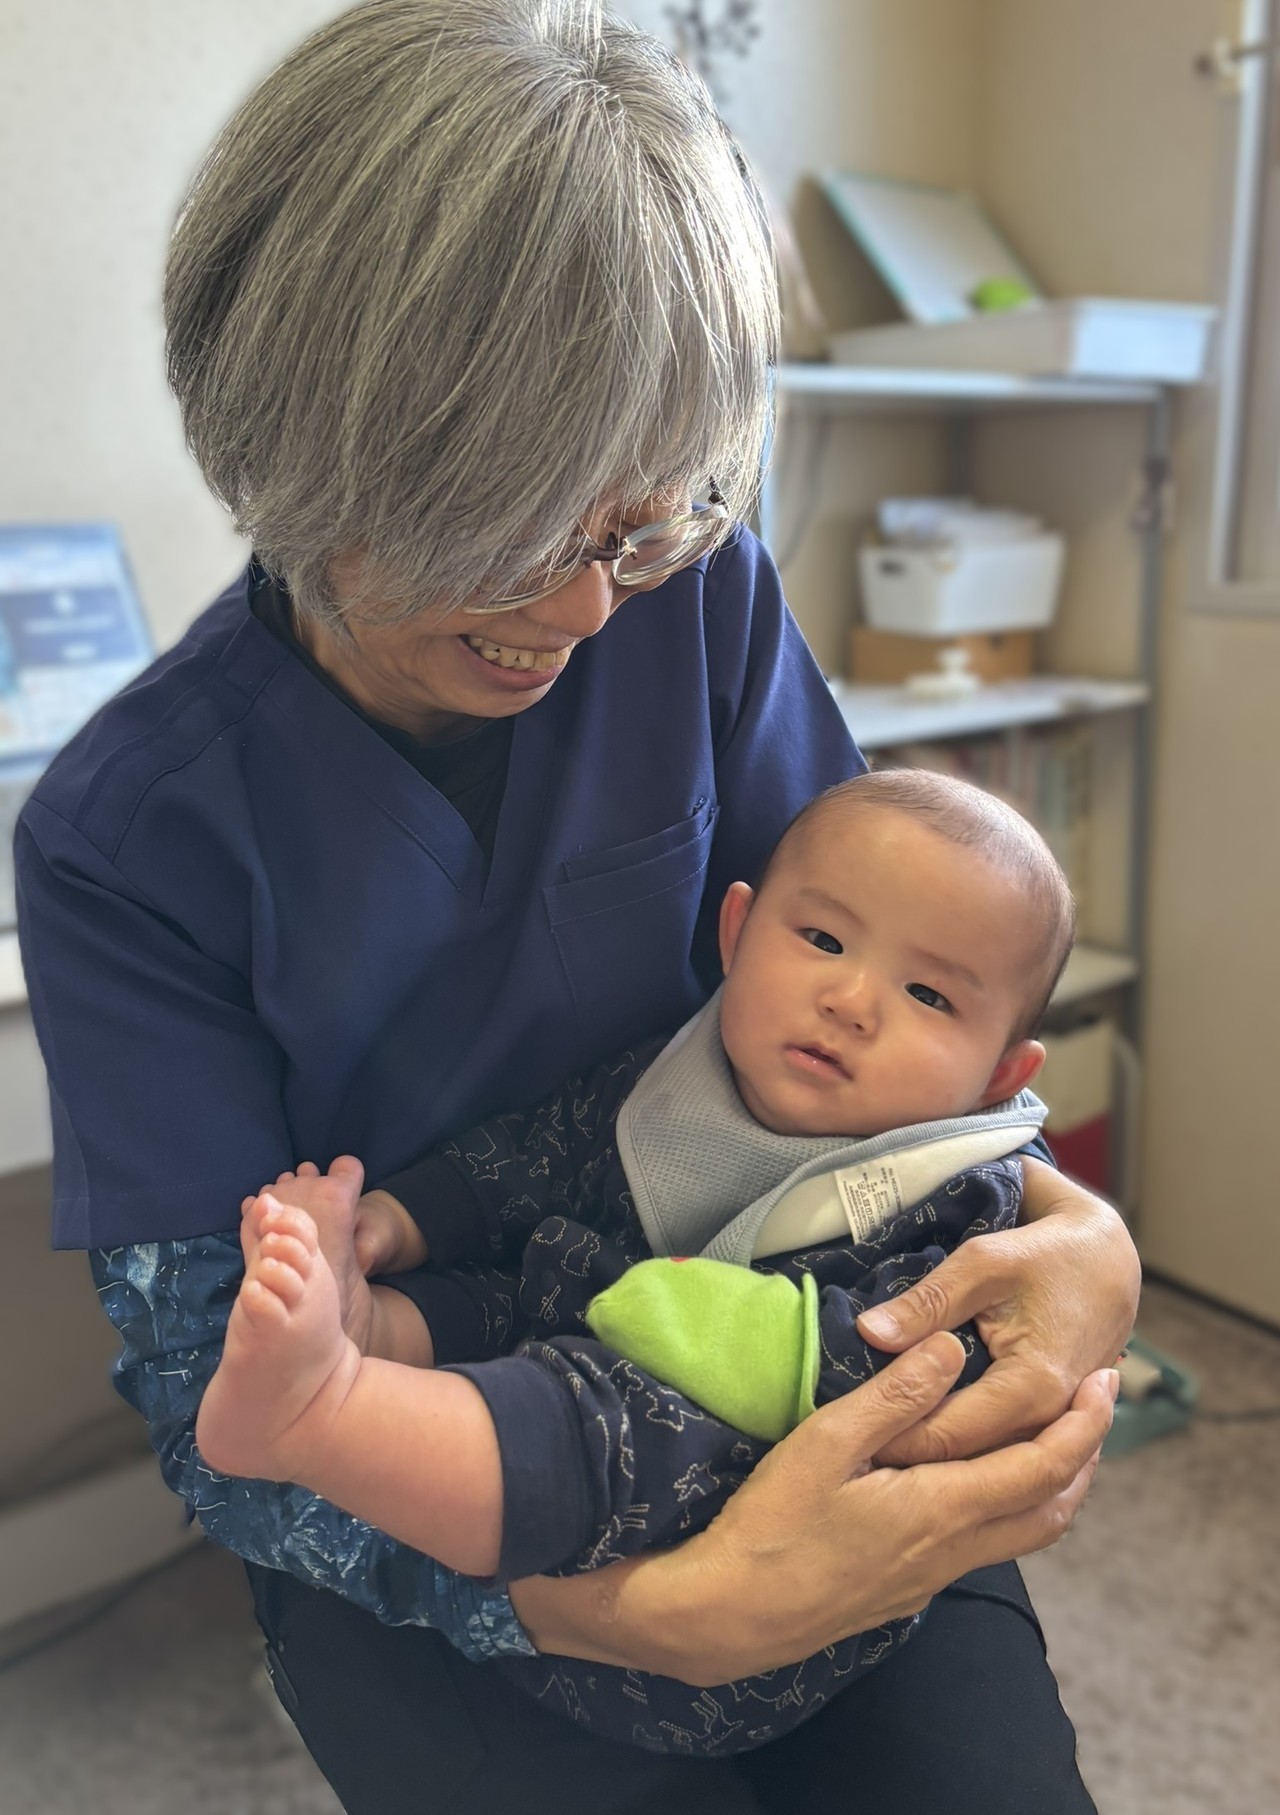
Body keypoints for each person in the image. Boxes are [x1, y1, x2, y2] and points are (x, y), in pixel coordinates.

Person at [15, 5, 1135, 1811]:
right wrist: (629, 1612)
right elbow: (222, 1419)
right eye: (522, 528)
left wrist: (1085, 1243)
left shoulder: (701, 599)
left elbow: (904, 1014)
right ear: (303, 446)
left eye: (641, 522)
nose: (589, 610)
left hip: (786, 1352)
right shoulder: (126, 840)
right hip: (436, 1471)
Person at [196, 768, 1075, 1759]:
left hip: (741, 1588)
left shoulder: (961, 1198)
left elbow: (893, 1370)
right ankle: (363, 1324)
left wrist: (673, 1313)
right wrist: (394, 1224)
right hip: (553, 1597)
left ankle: (318, 1416)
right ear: (737, 933)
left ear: (1001, 1073)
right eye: (823, 940)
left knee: (620, 1408)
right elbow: (538, 1154)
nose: (850, 1000)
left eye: (928, 994)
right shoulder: (675, 1078)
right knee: (519, 1280)